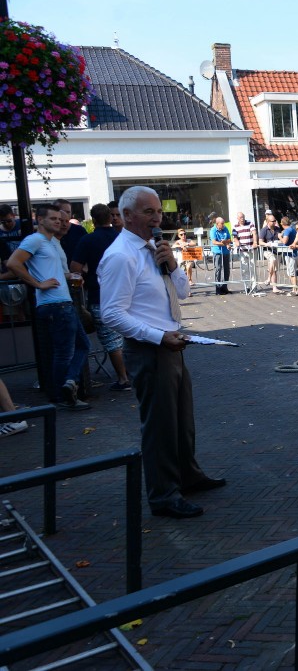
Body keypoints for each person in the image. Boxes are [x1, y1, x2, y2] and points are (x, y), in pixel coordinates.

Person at [99, 186, 225, 520]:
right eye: (148, 212)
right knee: (159, 426)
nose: (157, 218)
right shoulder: (120, 255)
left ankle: (188, 475)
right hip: (150, 349)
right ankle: (163, 495)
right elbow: (111, 313)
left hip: (171, 344)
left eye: (158, 211)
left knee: (181, 421)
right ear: (127, 216)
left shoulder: (154, 249)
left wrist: (172, 264)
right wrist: (157, 336)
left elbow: (182, 293)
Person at [7, 204, 91, 410]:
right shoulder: (34, 239)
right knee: (64, 352)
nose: (58, 222)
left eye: (60, 219)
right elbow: (13, 263)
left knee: (83, 345)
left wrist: (70, 276)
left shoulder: (53, 242)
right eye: (53, 219)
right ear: (40, 219)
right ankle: (61, 397)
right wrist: (37, 284)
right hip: (55, 304)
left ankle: (69, 383)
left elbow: (53, 271)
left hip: (63, 301)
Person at [70, 203, 132, 391]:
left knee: (111, 339)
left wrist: (89, 270)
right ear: (110, 218)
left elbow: (75, 267)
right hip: (127, 294)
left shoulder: (88, 241)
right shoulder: (122, 238)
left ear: (93, 220)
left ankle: (123, 379)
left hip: (100, 295)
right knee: (128, 335)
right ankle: (133, 372)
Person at [232, 212, 258, 289]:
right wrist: (236, 241)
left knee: (253, 268)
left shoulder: (250, 223)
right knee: (244, 269)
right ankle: (247, 286)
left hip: (251, 249)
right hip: (242, 250)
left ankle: (254, 286)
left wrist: (255, 242)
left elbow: (254, 233)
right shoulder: (235, 226)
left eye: (243, 217)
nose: (242, 219)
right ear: (237, 219)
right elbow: (235, 236)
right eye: (240, 217)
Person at [260, 211, 283, 293]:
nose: (274, 222)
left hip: (277, 251)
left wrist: (280, 241)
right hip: (268, 250)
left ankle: (274, 288)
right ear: (267, 221)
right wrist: (267, 244)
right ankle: (269, 278)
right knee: (272, 260)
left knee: (275, 269)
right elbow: (260, 242)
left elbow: (281, 238)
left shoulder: (277, 229)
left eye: (275, 220)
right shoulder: (264, 230)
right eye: (272, 221)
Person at [210, 217, 233, 295]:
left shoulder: (225, 228)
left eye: (224, 223)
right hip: (217, 252)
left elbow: (230, 239)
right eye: (222, 223)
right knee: (218, 269)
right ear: (217, 224)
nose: (223, 225)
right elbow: (214, 242)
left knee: (227, 269)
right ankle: (218, 288)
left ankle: (225, 287)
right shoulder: (213, 230)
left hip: (226, 252)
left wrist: (226, 241)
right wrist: (224, 243)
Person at [279, 216, 298, 295]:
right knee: (290, 271)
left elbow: (284, 241)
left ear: (282, 224)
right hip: (291, 253)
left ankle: (295, 290)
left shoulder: (287, 230)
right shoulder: (292, 229)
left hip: (290, 254)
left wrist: (279, 237)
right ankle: (294, 287)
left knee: (292, 272)